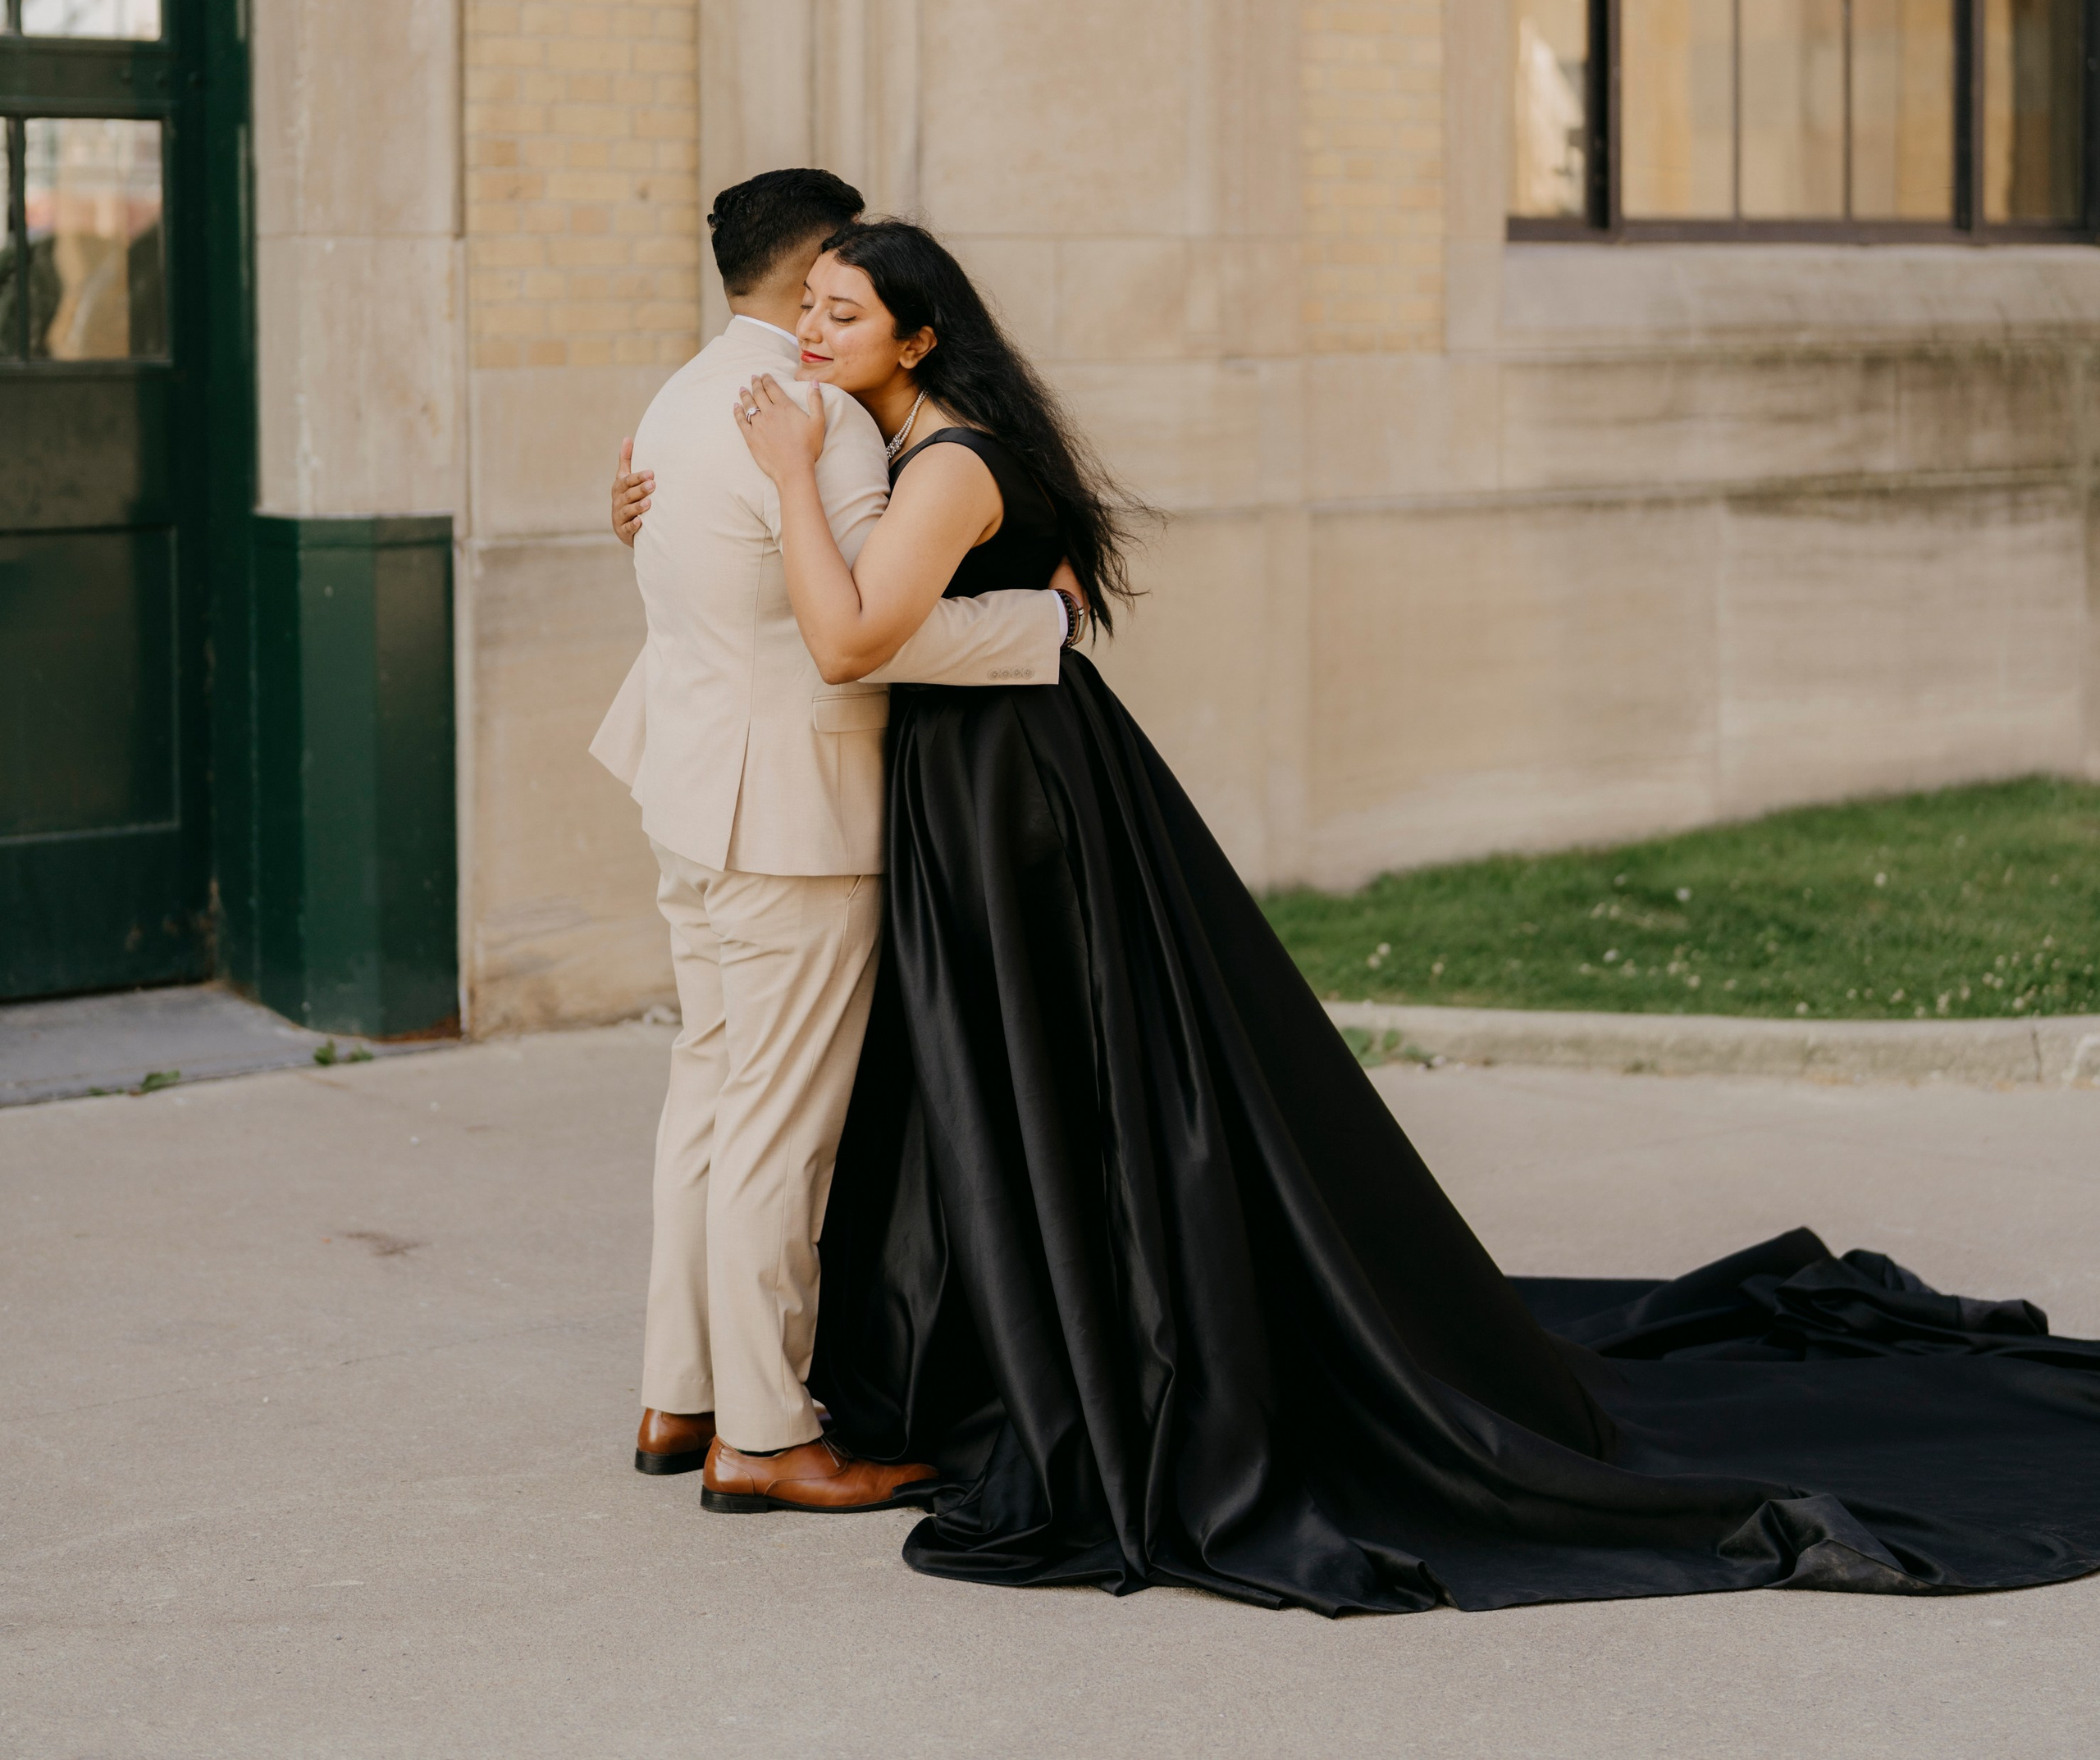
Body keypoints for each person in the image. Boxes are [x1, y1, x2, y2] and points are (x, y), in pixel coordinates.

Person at [614, 219, 2100, 1614]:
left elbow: (851, 632)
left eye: (844, 308)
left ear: (920, 340)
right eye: (809, 301)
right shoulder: (845, 424)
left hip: (1008, 799)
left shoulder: (912, 456)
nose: (812, 326)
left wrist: (871, 520)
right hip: (951, 787)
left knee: (1017, 1082)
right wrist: (1017, 608)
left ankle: (849, 1388)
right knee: (955, 1089)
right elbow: (791, 582)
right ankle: (792, 1386)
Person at [589, 171, 1082, 1517]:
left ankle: (676, 1394)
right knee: (778, 1131)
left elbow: (680, 561)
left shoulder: (680, 395)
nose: (835, 298)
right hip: (789, 815)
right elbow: (869, 628)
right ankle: (762, 1433)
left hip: (687, 793)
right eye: (835, 275)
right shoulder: (824, 423)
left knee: (707, 1093)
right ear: (813, 265)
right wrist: (1040, 624)